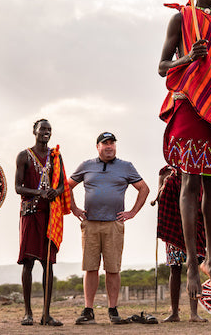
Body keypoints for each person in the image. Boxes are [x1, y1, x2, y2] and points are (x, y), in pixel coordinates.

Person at [158, 0, 211, 299]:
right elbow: (162, 66)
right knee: (190, 180)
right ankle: (191, 260)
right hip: (190, 105)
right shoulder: (181, 20)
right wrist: (188, 58)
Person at [68, 132, 150, 325]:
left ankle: (113, 311)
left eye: (112, 143)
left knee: (113, 269)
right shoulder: (86, 166)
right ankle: (88, 310)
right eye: (105, 143)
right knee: (90, 268)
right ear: (97, 146)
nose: (109, 146)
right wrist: (73, 208)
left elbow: (144, 189)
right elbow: (66, 186)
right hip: (90, 224)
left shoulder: (126, 167)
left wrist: (132, 212)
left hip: (114, 224)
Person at [14, 119, 70, 327]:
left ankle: (46, 314)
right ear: (34, 131)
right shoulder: (24, 156)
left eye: (49, 130)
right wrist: (39, 192)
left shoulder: (56, 156)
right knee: (28, 262)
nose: (46, 132)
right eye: (43, 129)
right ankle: (28, 313)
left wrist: (56, 191)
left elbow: (63, 185)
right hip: (30, 213)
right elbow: (18, 188)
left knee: (48, 263)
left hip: (50, 215)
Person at [155, 166, 207, 323]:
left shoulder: (197, 171)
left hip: (194, 224)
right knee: (174, 268)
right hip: (174, 224)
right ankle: (174, 312)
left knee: (193, 268)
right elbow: (158, 197)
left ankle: (194, 313)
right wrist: (164, 186)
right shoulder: (165, 172)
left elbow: (204, 196)